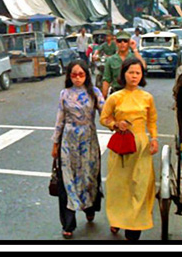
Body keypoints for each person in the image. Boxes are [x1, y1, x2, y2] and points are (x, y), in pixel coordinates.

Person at [100, 57, 159, 241]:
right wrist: (115, 125)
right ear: (124, 74)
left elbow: (152, 121)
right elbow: (104, 118)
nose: (134, 76)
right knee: (119, 185)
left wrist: (154, 138)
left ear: (142, 76)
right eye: (131, 72)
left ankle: (133, 228)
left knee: (139, 185)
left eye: (137, 73)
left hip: (141, 146)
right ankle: (118, 218)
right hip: (121, 146)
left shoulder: (147, 97)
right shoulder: (115, 97)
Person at [51, 60, 105, 239]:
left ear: (87, 75)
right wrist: (55, 144)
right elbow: (60, 119)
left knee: (89, 176)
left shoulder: (94, 92)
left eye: (81, 74)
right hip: (68, 140)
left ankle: (90, 208)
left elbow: (105, 114)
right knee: (67, 180)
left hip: (88, 140)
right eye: (74, 75)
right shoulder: (64, 94)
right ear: (69, 76)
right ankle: (68, 223)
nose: (77, 78)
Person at [101, 31, 146, 98]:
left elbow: (143, 66)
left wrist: (134, 49)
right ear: (116, 42)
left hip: (132, 93)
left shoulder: (133, 58)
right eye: (119, 41)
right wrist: (103, 98)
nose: (122, 43)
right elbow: (106, 80)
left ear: (129, 42)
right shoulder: (111, 60)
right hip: (116, 93)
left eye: (125, 41)